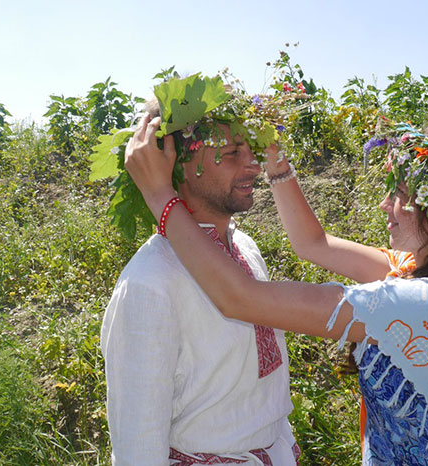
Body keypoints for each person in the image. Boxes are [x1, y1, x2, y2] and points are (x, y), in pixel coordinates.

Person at [125, 113, 428, 465]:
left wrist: (161, 197)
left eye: (402, 194)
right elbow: (314, 244)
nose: (386, 205)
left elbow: (241, 298)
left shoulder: (417, 303)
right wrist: (276, 164)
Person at [100, 92, 301, 465]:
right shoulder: (149, 283)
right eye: (230, 155)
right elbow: (138, 443)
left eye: (250, 149)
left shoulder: (246, 247)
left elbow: (268, 395)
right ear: (178, 167)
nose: (253, 165)